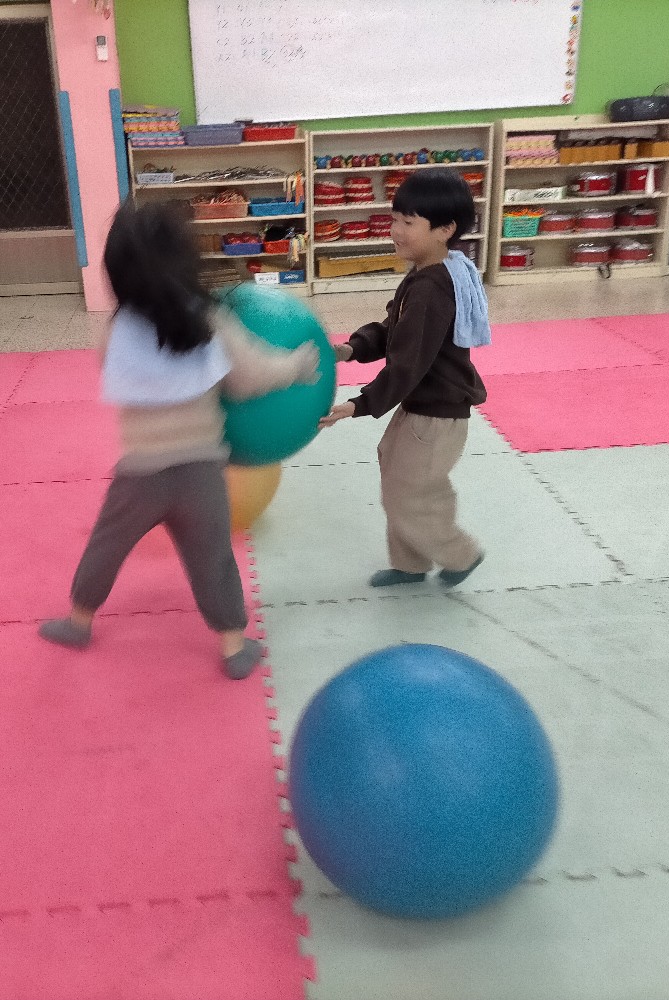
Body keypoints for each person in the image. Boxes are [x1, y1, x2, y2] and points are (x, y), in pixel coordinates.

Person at [38, 199, 318, 679]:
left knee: (106, 546)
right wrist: (296, 366)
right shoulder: (211, 321)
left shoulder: (115, 330)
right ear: (188, 261)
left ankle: (78, 620)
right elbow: (250, 377)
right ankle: (233, 646)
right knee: (213, 559)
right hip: (200, 472)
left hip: (139, 474)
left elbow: (113, 370)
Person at [319, 168, 490, 588]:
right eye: (394, 219)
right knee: (396, 477)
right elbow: (395, 330)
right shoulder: (425, 272)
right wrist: (353, 348)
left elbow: (408, 364)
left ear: (445, 229)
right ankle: (410, 564)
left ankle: (460, 554)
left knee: (412, 491)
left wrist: (358, 404)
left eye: (408, 222)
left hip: (437, 412)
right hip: (421, 404)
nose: (395, 230)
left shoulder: (432, 288)